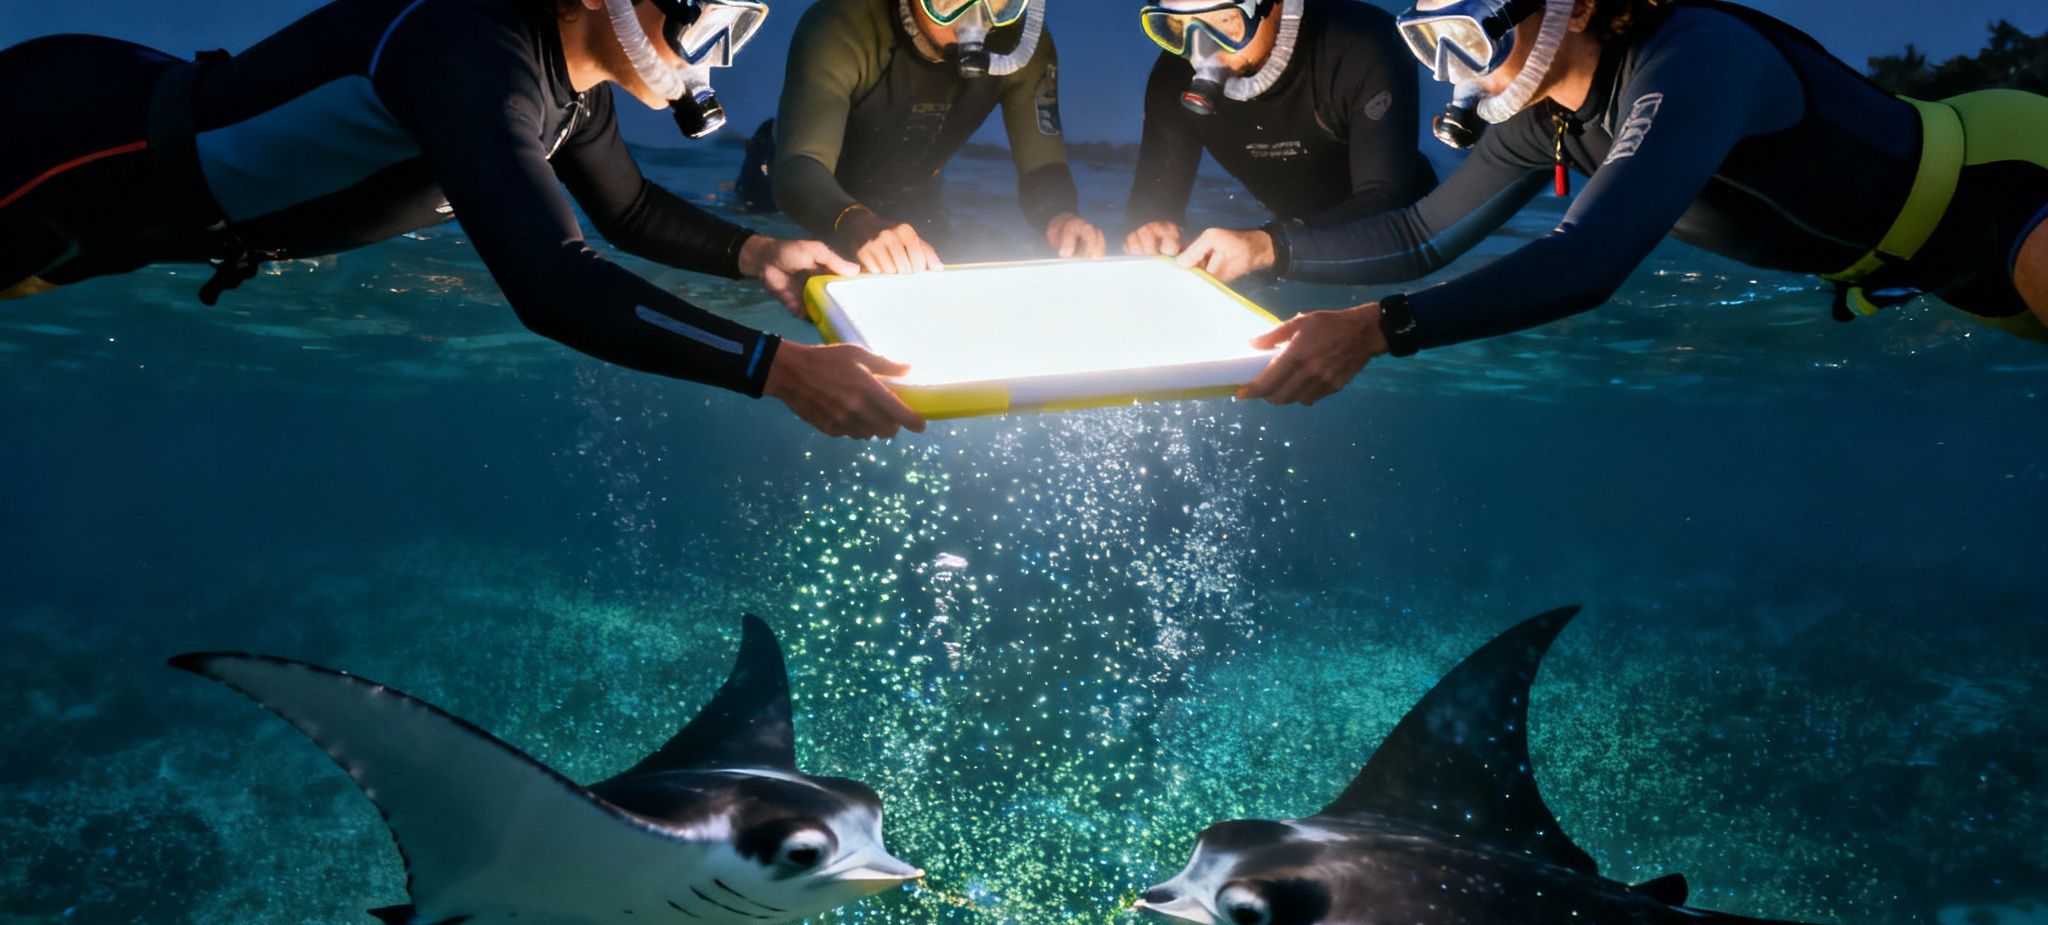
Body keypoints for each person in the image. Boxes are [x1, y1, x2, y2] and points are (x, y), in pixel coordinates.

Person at [0, 0, 926, 440]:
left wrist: (760, 249)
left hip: (126, 213)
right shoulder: (468, 51)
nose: (713, 50)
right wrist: (776, 370)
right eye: (706, 12)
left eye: (739, 23)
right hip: (63, 153)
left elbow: (631, 210)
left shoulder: (576, 98)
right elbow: (553, 283)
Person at [1212, 0, 2048, 406]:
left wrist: (1376, 329)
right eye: (1430, 44)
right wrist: (1262, 248)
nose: (1456, 74)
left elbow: (1587, 260)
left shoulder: (1696, 56)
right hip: (1934, 269)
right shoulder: (1545, 125)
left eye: (1470, 37)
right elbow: (1421, 234)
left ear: (1572, 9)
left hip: (2001, 186)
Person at [771, 0, 1106, 274]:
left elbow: (1042, 165)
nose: (975, 17)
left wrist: (1061, 216)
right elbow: (799, 165)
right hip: (794, 192)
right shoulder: (840, 23)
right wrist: (851, 219)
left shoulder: (1019, 44)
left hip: (912, 199)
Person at [1125, 0, 1440, 284]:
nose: (1201, 52)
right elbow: (1152, 206)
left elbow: (1387, 203)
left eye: (1224, 22)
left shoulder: (1363, 42)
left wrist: (1266, 245)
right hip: (1282, 246)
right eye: (1178, 27)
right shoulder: (1173, 75)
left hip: (1420, 254)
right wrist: (1152, 231)